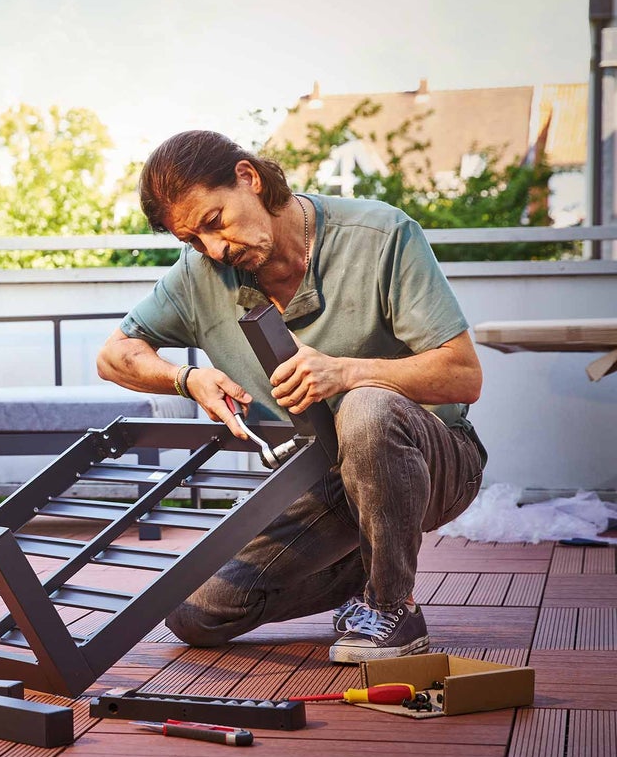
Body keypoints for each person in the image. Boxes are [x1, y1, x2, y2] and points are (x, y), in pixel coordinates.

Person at [96, 130, 487, 663]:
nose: (214, 249)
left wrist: (346, 372)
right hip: (321, 477)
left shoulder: (381, 233)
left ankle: (392, 605)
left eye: (214, 223)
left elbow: (464, 375)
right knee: (193, 610)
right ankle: (361, 581)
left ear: (249, 178)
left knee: (366, 406)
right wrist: (186, 379)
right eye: (193, 241)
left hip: (434, 457)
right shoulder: (200, 275)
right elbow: (113, 355)